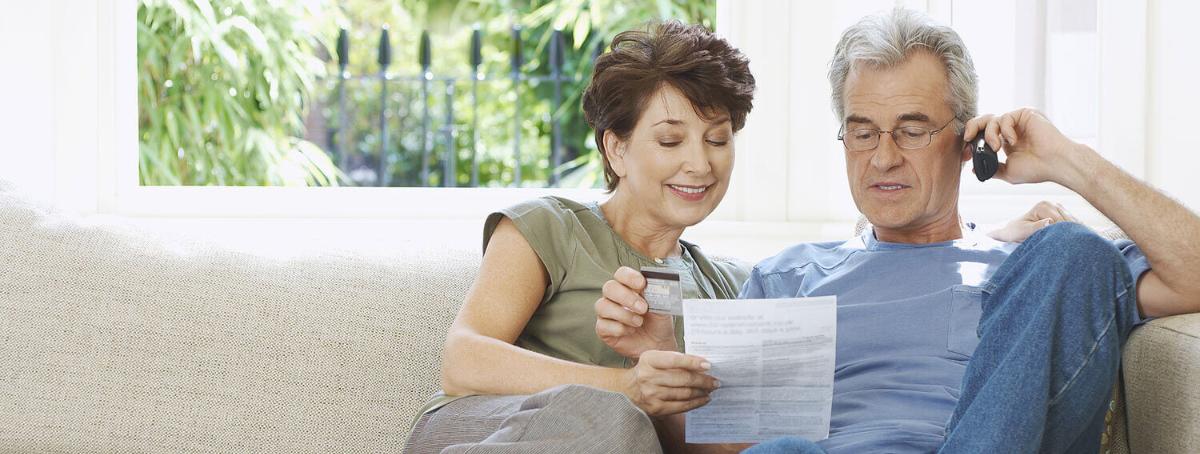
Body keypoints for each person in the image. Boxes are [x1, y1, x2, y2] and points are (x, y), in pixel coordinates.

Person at [596, 8, 1200, 454]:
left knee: (1070, 248)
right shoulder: (789, 277)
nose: (882, 157)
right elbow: (723, 450)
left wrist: (1069, 162)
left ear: (967, 141)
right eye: (862, 131)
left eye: (912, 129)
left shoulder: (1031, 271)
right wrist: (659, 354)